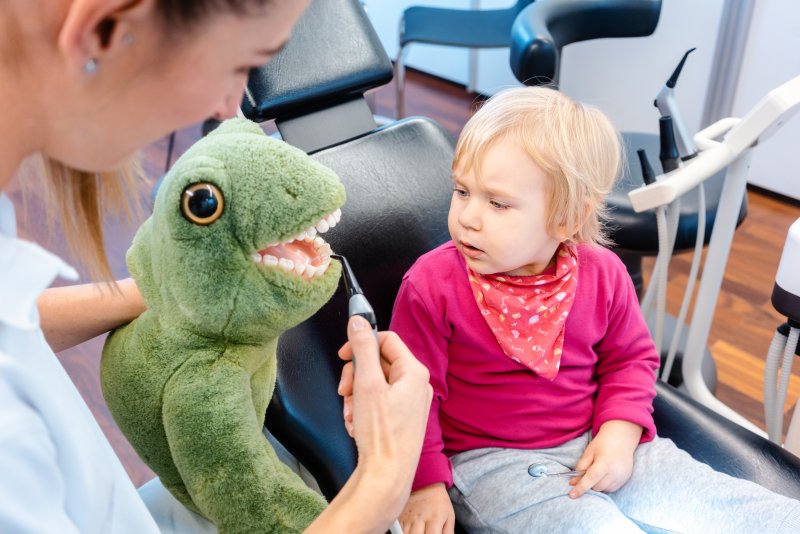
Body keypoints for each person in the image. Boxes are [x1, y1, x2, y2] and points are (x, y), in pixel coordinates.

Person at [0, 1, 431, 533]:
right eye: (238, 65)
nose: (230, 103)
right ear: (105, 30)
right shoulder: (12, 447)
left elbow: (12, 314)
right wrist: (386, 478)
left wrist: (175, 283)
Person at [390, 86, 800, 533]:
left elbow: (630, 359)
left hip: (598, 438)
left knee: (753, 515)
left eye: (498, 203)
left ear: (565, 218)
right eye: (462, 191)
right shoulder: (431, 286)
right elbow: (411, 397)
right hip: (494, 464)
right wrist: (422, 484)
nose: (468, 216)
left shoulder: (603, 274)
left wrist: (620, 433)